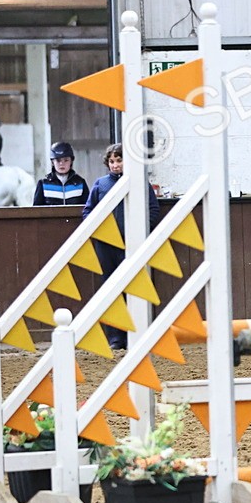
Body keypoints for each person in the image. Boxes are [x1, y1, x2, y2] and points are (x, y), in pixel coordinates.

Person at [81, 143, 160, 350]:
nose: (115, 165)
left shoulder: (140, 183)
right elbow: (88, 213)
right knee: (110, 289)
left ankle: (137, 333)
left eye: (119, 160)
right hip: (106, 246)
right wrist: (100, 233)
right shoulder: (100, 184)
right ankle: (116, 337)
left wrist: (140, 234)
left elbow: (152, 211)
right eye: (112, 161)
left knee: (134, 288)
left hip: (133, 245)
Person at [33, 141, 90, 205]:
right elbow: (36, 210)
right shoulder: (43, 184)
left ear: (71, 161)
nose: (62, 164)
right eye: (58, 160)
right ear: (52, 162)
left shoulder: (80, 183)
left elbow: (88, 208)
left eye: (66, 160)